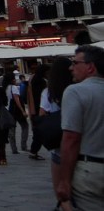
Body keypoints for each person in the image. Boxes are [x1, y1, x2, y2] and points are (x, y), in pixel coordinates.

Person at [56, 45, 104, 211]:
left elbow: (71, 138)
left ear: (90, 67)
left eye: (75, 63)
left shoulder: (75, 91)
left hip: (91, 169)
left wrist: (63, 181)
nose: (71, 67)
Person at [42, 57, 73, 202]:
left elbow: (42, 113)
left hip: (58, 143)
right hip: (79, 144)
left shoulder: (48, 92)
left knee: (62, 194)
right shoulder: (76, 88)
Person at [27, 63, 50, 160]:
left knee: (37, 131)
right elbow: (42, 97)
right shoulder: (40, 81)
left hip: (33, 109)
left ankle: (34, 151)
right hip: (38, 109)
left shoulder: (32, 79)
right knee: (39, 132)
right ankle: (33, 151)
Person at [3, 70, 29, 154]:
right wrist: (23, 111)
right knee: (25, 126)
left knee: (12, 130)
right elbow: (17, 100)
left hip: (8, 110)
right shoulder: (13, 87)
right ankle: (23, 145)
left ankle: (13, 148)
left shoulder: (5, 88)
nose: (15, 80)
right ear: (11, 79)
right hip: (16, 111)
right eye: (14, 78)